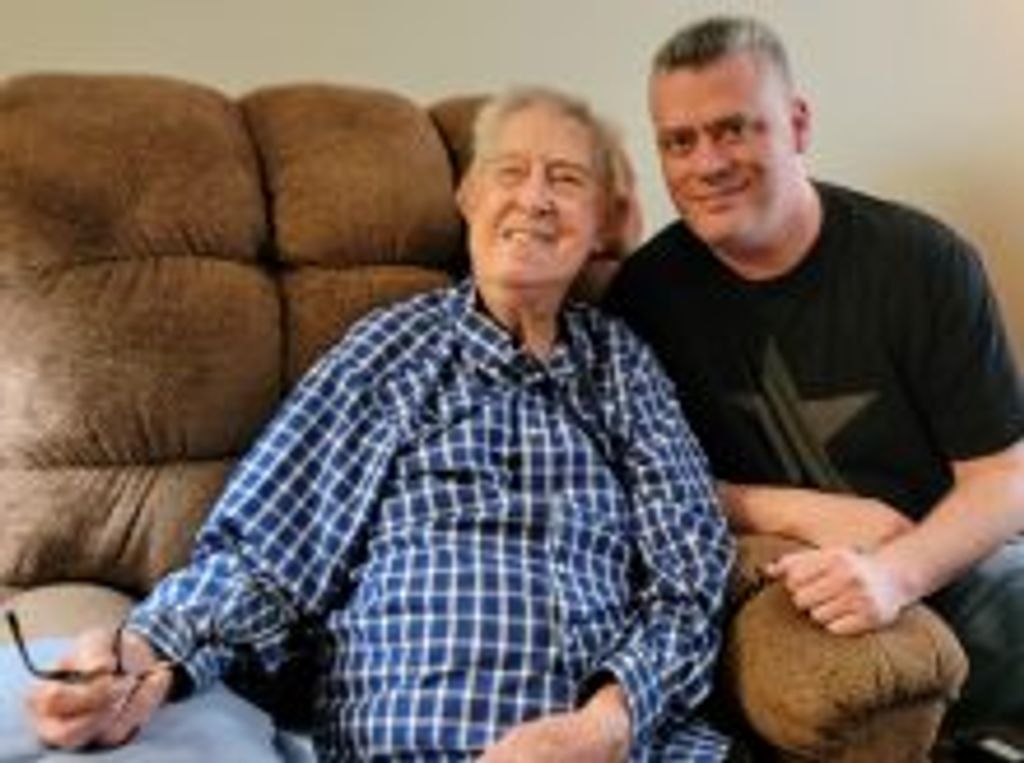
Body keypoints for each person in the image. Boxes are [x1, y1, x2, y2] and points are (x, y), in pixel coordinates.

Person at [23, 86, 734, 761]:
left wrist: (609, 723)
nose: (535, 198)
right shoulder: (388, 351)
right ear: (469, 196)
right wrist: (138, 654)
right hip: (406, 740)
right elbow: (265, 557)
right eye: (510, 171)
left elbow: (691, 577)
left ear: (602, 221)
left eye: (567, 179)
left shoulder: (624, 368)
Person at [605, 15, 1024, 726]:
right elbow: (628, 480)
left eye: (733, 129)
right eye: (679, 141)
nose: (707, 163)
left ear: (797, 124)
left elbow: (1003, 478)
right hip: (782, 582)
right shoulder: (644, 298)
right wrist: (791, 510)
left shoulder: (922, 261)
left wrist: (895, 575)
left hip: (948, 558)